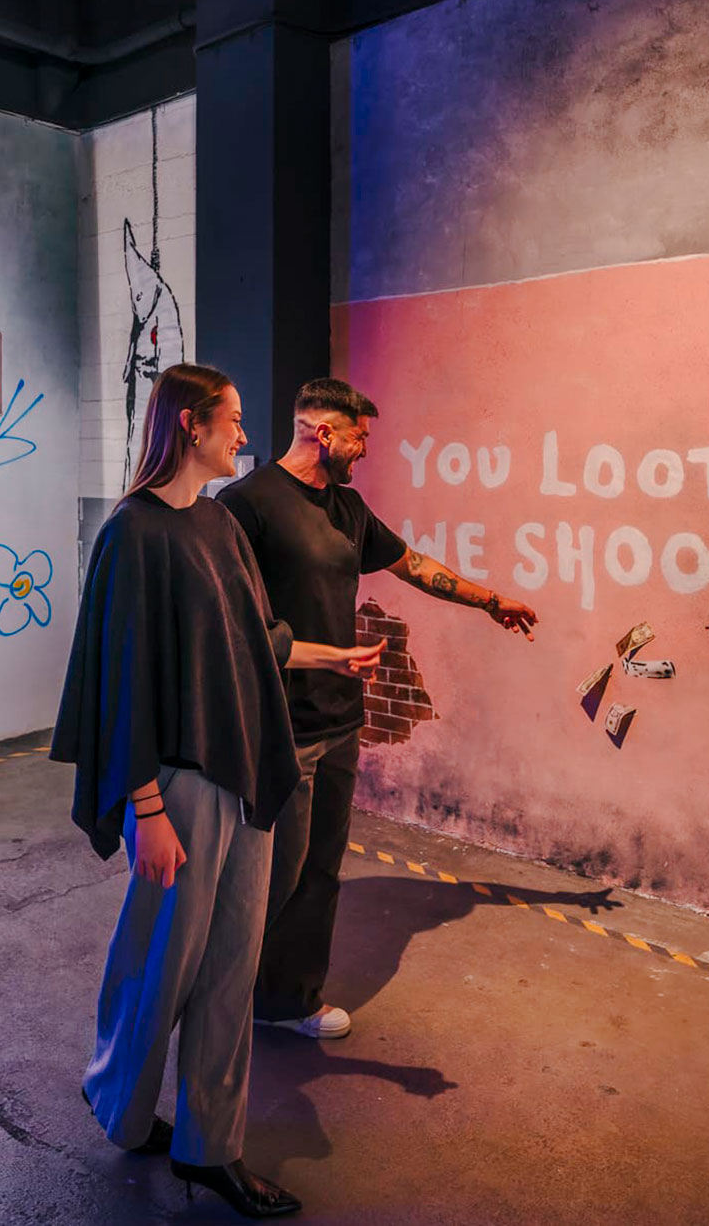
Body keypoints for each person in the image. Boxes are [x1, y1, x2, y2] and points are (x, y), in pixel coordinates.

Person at [52, 364, 381, 1220]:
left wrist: (329, 655)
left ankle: (209, 1146)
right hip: (179, 788)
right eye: (232, 420)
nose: (244, 434)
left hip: (245, 778)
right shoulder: (135, 533)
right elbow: (123, 683)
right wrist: (147, 811)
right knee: (160, 964)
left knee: (231, 970)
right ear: (191, 424)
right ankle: (119, 1105)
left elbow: (258, 638)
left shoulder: (216, 524)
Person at [220, 378, 540, 1040]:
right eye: (361, 436)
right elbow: (232, 622)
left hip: (338, 719)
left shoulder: (347, 508)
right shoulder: (245, 505)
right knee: (270, 874)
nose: (366, 450)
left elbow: (409, 563)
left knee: (319, 871)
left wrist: (490, 599)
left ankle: (286, 999)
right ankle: (229, 993)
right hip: (278, 723)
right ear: (325, 432)